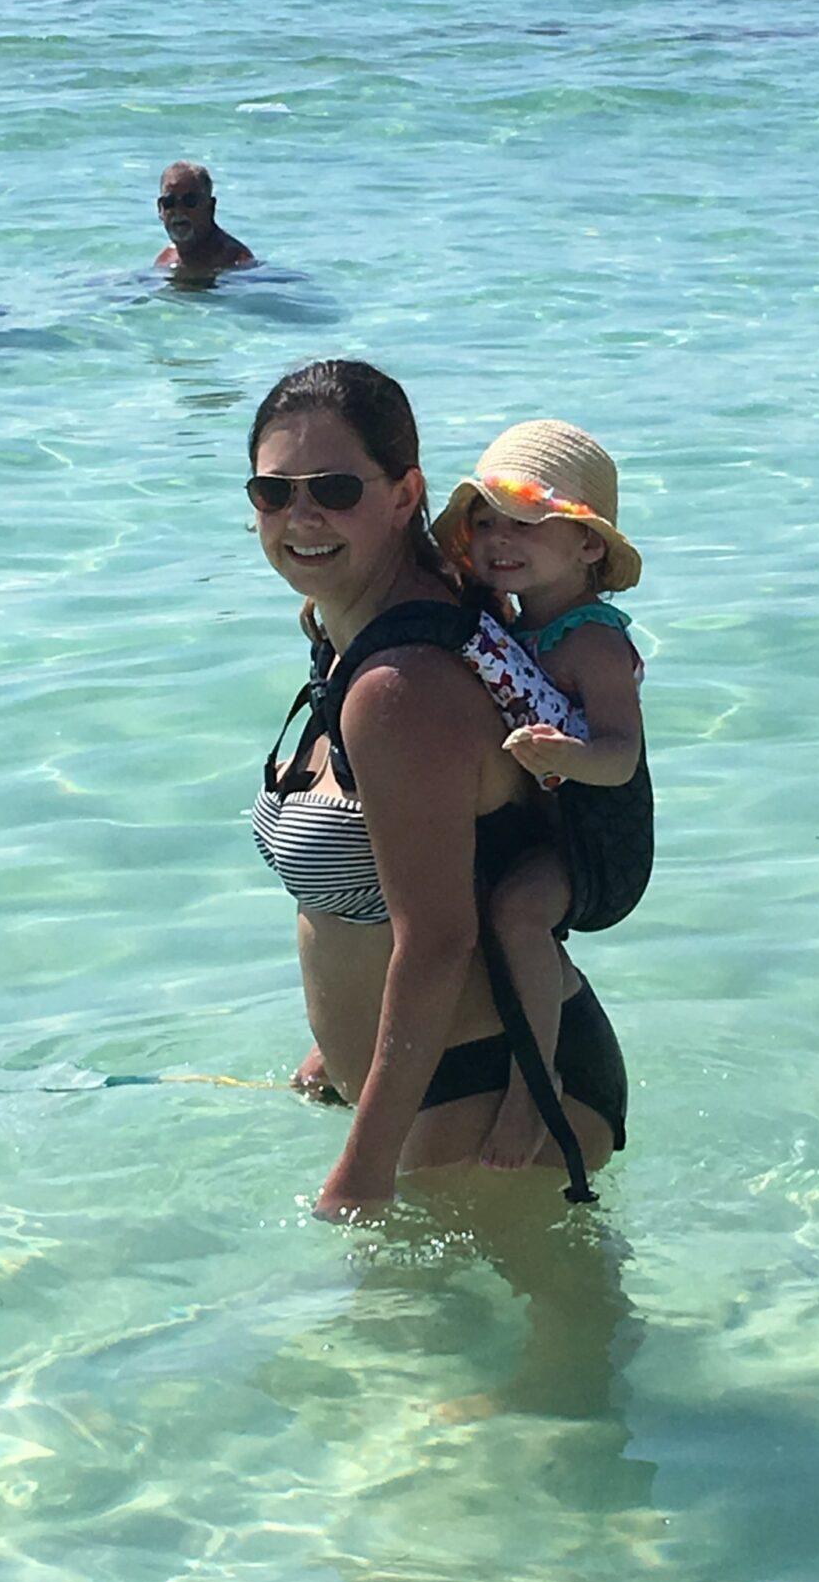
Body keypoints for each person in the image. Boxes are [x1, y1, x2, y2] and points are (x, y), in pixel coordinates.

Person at [246, 360, 628, 1222]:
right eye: (274, 491)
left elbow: (439, 941)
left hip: (496, 1098)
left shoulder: (401, 688)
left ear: (402, 492)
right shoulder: (354, 636)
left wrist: (360, 1175)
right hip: (440, 1089)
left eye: (335, 488)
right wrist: (331, 1044)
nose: (301, 516)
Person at [429, 422, 645, 1170]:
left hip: (599, 842)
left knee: (519, 911)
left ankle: (534, 1090)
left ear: (589, 545)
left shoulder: (594, 641)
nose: (496, 538)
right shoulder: (512, 622)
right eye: (482, 521)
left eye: (524, 522)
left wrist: (570, 756)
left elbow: (622, 760)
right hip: (544, 823)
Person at [154, 162, 254, 276]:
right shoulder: (165, 260)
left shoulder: (237, 262)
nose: (179, 210)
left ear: (210, 207)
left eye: (190, 201)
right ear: (160, 209)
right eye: (169, 202)